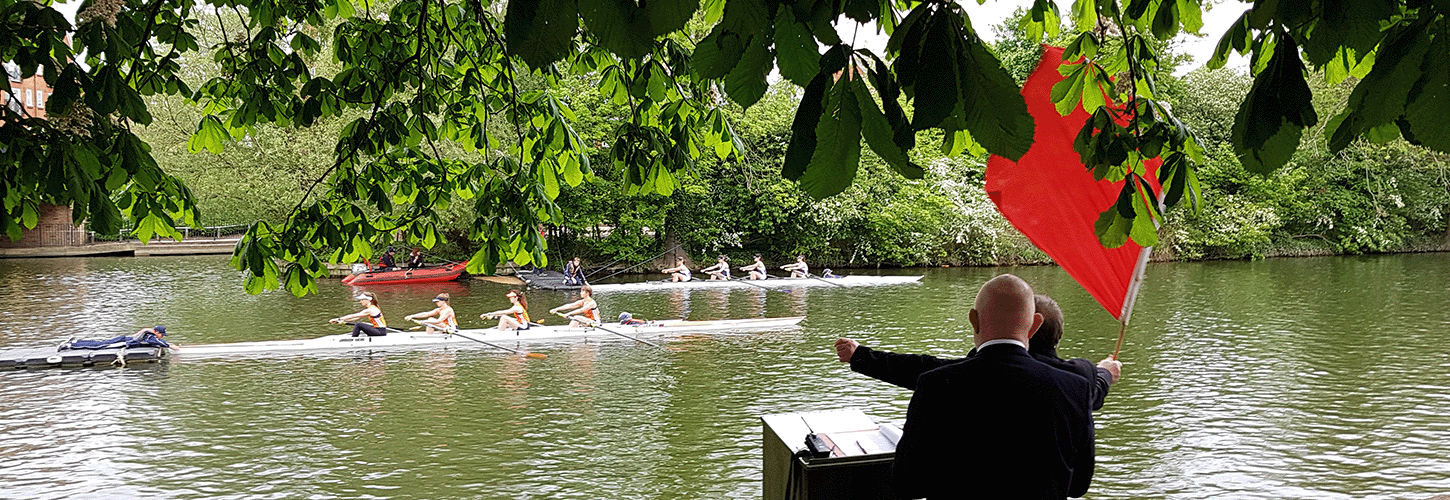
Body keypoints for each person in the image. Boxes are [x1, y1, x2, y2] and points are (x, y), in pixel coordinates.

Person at [889, 274, 1098, 500]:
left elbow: (906, 483)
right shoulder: (1075, 388)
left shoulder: (936, 385)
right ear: (1035, 325)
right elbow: (1078, 486)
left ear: (973, 320)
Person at [834, 294, 1119, 410]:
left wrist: (862, 355)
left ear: (1023, 327)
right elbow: (1094, 390)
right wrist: (1105, 371)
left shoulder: (962, 376)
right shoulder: (1077, 381)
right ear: (1057, 337)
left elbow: (921, 368)